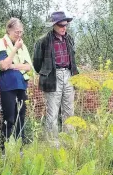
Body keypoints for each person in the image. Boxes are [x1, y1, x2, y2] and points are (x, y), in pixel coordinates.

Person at [33, 11, 79, 143]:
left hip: (69, 74)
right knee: (52, 112)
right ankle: (53, 143)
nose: (64, 27)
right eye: (61, 25)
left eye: (66, 25)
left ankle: (69, 140)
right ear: (54, 25)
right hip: (52, 76)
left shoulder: (69, 39)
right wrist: (47, 71)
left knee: (69, 110)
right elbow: (37, 64)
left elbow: (73, 59)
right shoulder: (43, 41)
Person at [0, 18, 33, 146]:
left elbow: (28, 67)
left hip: (21, 85)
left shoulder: (22, 45)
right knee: (9, 118)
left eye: (21, 32)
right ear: (9, 30)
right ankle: (6, 147)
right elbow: (3, 66)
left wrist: (13, 65)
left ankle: (19, 147)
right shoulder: (1, 43)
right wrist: (14, 49)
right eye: (16, 32)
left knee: (21, 117)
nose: (19, 35)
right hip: (8, 86)